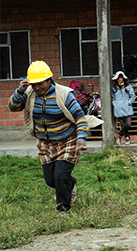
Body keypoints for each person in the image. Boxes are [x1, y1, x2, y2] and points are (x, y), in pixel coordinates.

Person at [8, 61, 89, 213]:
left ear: (49, 80)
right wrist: (20, 90)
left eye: (40, 84)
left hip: (67, 141)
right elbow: (12, 107)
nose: (37, 88)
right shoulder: (30, 94)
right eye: (34, 84)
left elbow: (80, 117)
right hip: (46, 144)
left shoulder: (64, 94)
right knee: (50, 180)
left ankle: (63, 210)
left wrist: (81, 138)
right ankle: (70, 184)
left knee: (59, 175)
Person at [111, 71, 136, 145]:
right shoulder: (114, 88)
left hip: (127, 108)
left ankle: (119, 135)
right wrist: (115, 104)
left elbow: (133, 96)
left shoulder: (128, 86)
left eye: (121, 77)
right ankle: (127, 138)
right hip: (118, 109)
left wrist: (128, 102)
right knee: (122, 125)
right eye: (118, 78)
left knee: (128, 124)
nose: (120, 79)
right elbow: (113, 98)